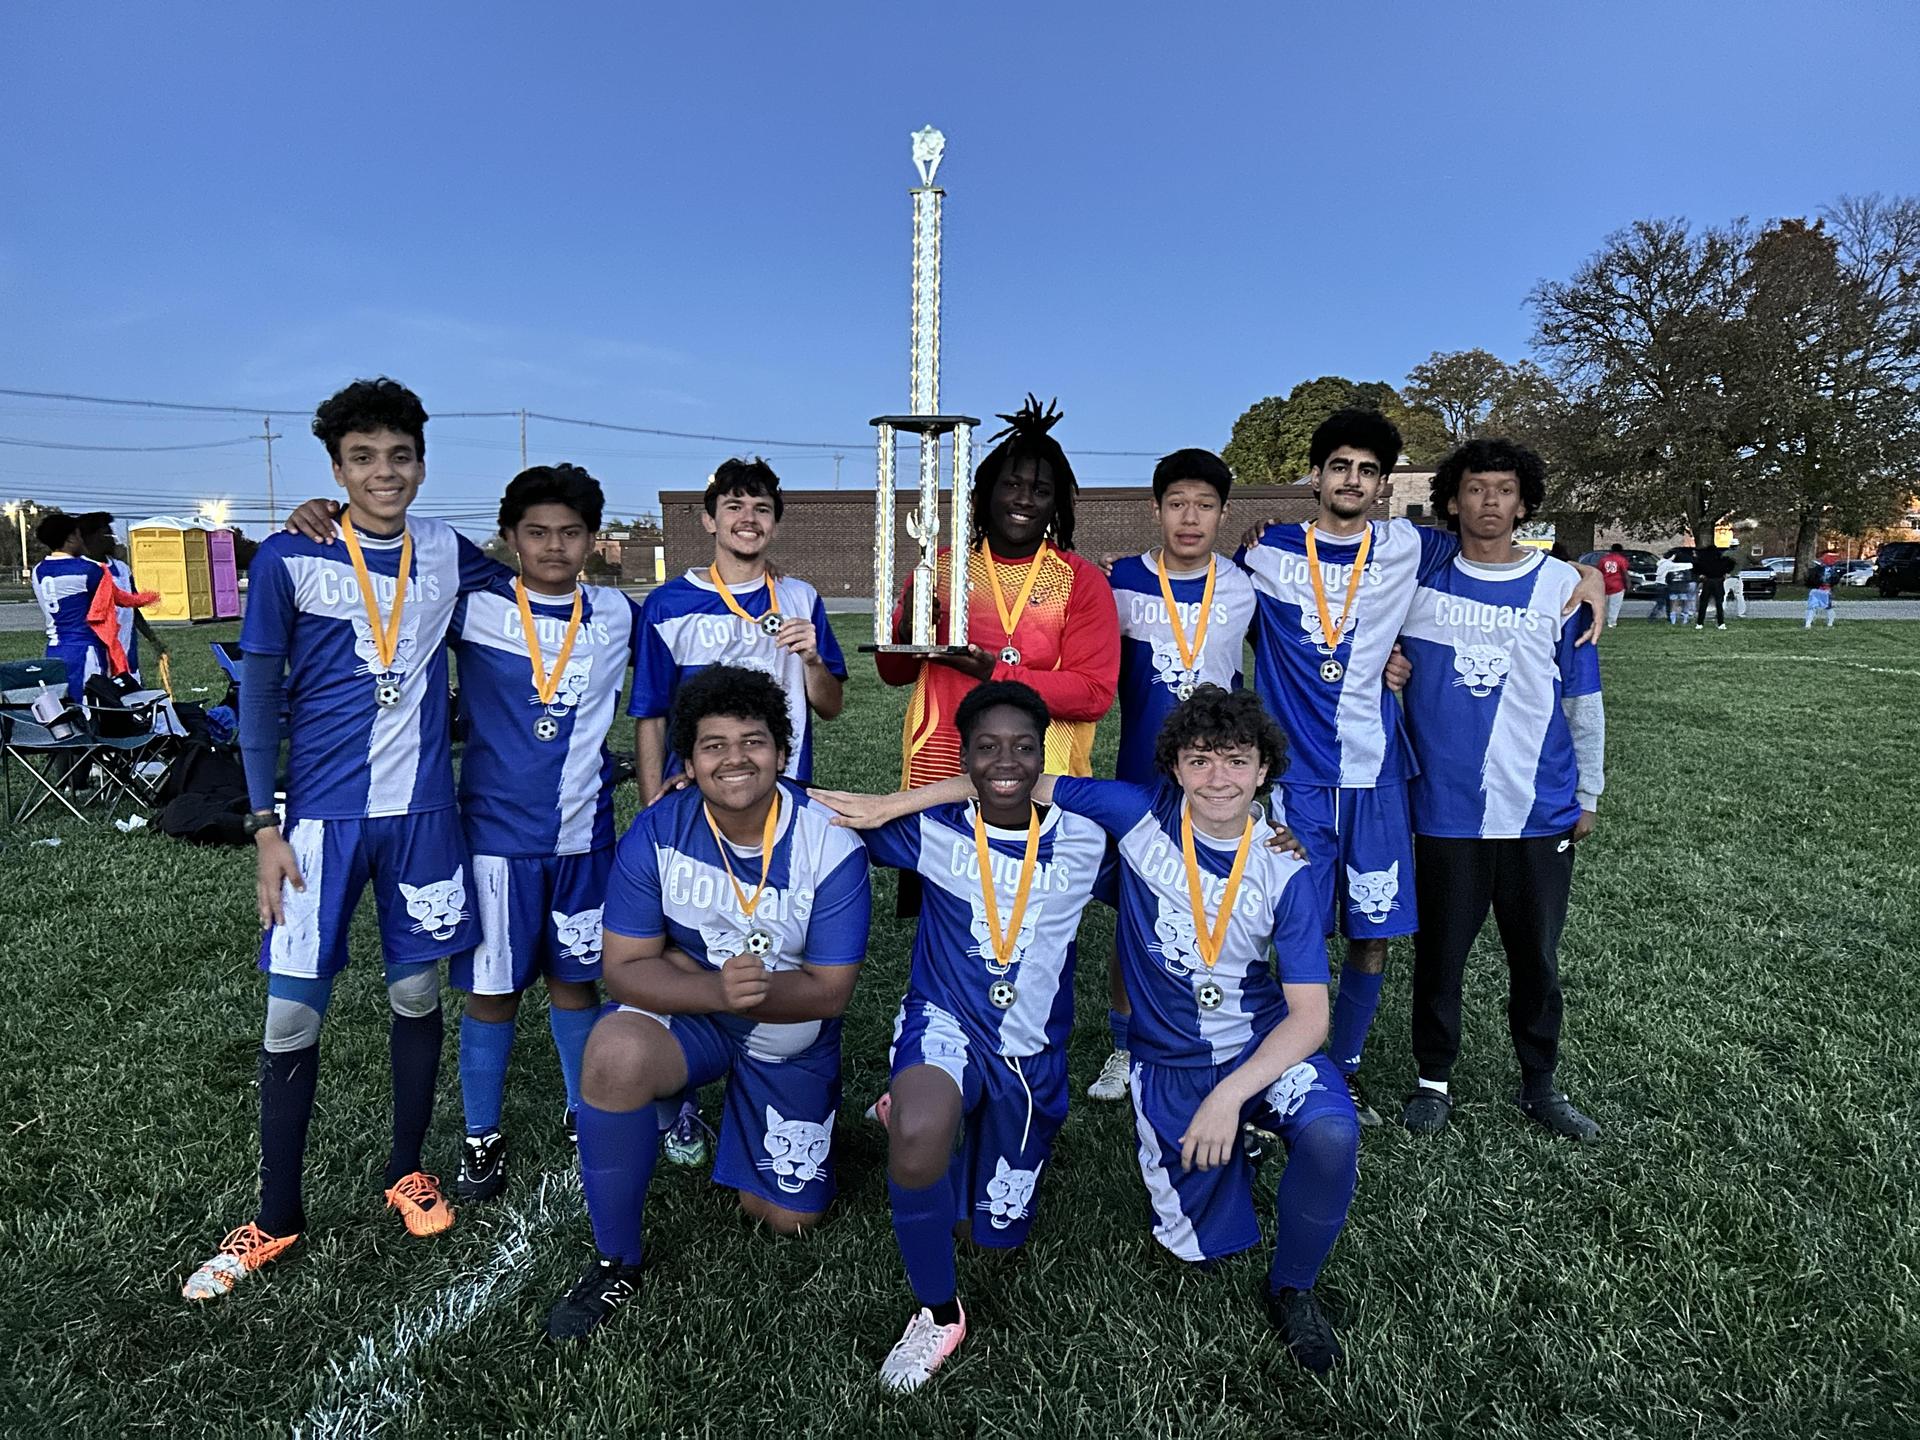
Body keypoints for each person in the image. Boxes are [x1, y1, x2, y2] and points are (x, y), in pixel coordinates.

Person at [182, 378, 501, 1302]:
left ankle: (407, 1167)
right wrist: (262, 823)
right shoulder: (290, 555)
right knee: (291, 1015)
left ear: (422, 463)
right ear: (336, 468)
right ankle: (276, 1215)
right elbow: (258, 699)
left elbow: (533, 589)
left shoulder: (446, 551)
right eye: (362, 459)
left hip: (423, 823)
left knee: (412, 994)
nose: (383, 473)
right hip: (315, 825)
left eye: (399, 456)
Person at [1236, 409, 1604, 1125]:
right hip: (1304, 783)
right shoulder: (1268, 553)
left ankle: (1347, 1071)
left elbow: (1512, 560)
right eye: (1339, 466)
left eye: (1368, 470)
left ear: (1383, 485)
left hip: (1383, 782)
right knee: (1293, 932)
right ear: (1315, 476)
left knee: (1378, 934)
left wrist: (1589, 573)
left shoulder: (1414, 549)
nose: (1352, 480)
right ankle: (1291, 1069)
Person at [543, 665, 870, 1341]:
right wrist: (712, 989)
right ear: (688, 762)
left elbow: (830, 990)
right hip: (699, 1007)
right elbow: (625, 971)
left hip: (790, 1025)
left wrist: (738, 989)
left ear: (783, 753)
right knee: (613, 1052)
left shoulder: (830, 842)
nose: (734, 758)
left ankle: (773, 1113)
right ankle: (616, 1257)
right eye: (713, 745)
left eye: (753, 741)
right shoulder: (660, 830)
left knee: (788, 1218)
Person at [816, 682, 1107, 1391]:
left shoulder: (1092, 841)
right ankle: (938, 1312)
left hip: (1030, 1053)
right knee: (922, 1130)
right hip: (945, 1024)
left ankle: (955, 1134)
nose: (1005, 762)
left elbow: (1184, 851)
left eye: (1022, 747)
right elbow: (815, 808)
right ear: (964, 758)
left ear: (1044, 756)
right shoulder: (933, 829)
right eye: (986, 747)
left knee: (988, 1235)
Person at [629, 456, 848, 1164]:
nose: (746, 520)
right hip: (695, 806)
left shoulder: (801, 596)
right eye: (733, 507)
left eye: (759, 509)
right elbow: (652, 711)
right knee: (685, 943)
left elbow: (833, 705)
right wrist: (651, 797)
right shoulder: (669, 602)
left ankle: (775, 1069)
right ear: (709, 519)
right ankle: (679, 1099)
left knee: (769, 940)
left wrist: (814, 659)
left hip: (781, 805)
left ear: (774, 521)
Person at [1396, 439, 1604, 1142]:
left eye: (1505, 489)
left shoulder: (1561, 587)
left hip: (1538, 807)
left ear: (1524, 501)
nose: (1490, 502)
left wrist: (1591, 793)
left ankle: (1540, 1082)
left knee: (1537, 957)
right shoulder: (1417, 583)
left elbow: (1584, 699)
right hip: (1445, 808)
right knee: (1441, 955)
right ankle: (1433, 1081)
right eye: (1476, 488)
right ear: (1453, 499)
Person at [445, 464, 641, 1200]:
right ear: (510, 537)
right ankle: (480, 1135)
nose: (554, 546)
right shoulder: (474, 604)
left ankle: (583, 1106)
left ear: (593, 540)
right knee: (492, 992)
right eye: (537, 532)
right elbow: (400, 546)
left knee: (576, 982)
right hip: (496, 842)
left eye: (570, 532)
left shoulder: (619, 614)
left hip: (586, 837)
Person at [1089, 448, 1257, 1102]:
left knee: (1215, 911)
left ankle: (1209, 1031)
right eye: (1178, 504)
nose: (1191, 518)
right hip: (1141, 777)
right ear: (1157, 510)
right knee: (1137, 916)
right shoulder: (1119, 579)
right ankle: (1124, 1048)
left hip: (1217, 783)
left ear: (1223, 514)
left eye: (1205, 505)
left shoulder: (1247, 583)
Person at [875, 397, 1118, 789]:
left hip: (1041, 779)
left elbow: (1092, 694)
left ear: (1055, 504)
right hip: (938, 766)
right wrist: (906, 631)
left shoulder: (1081, 580)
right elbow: (893, 672)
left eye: (1040, 490)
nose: (1024, 499)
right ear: (987, 492)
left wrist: (994, 673)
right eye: (1012, 485)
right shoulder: (939, 568)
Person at [30, 511, 113, 699]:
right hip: (86, 649)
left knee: (65, 706)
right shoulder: (89, 570)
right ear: (70, 539)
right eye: (78, 535)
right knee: (91, 708)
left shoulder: (38, 571)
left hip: (55, 649)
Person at [1692, 545, 1732, 629]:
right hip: (1718, 581)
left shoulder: (1703, 560)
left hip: (1707, 581)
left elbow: (1695, 568)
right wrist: (1725, 573)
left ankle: (1700, 623)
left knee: (1703, 603)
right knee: (1719, 603)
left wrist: (1701, 574)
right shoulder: (1722, 560)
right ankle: (1721, 623)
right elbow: (1730, 565)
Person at [1597, 544, 1630, 628]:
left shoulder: (1603, 559)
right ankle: (1612, 622)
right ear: (1621, 551)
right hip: (1617, 585)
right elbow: (1624, 573)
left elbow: (1598, 572)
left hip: (1604, 584)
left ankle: (1601, 621)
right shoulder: (1622, 559)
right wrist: (1628, 584)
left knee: (1604, 605)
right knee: (1615, 605)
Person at [1805, 564, 1836, 629]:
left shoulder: (1832, 571)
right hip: (1816, 590)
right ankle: (1808, 623)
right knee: (1812, 606)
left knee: (1828, 607)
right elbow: (1811, 579)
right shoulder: (1817, 569)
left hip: (1826, 591)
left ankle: (1830, 623)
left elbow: (1835, 580)